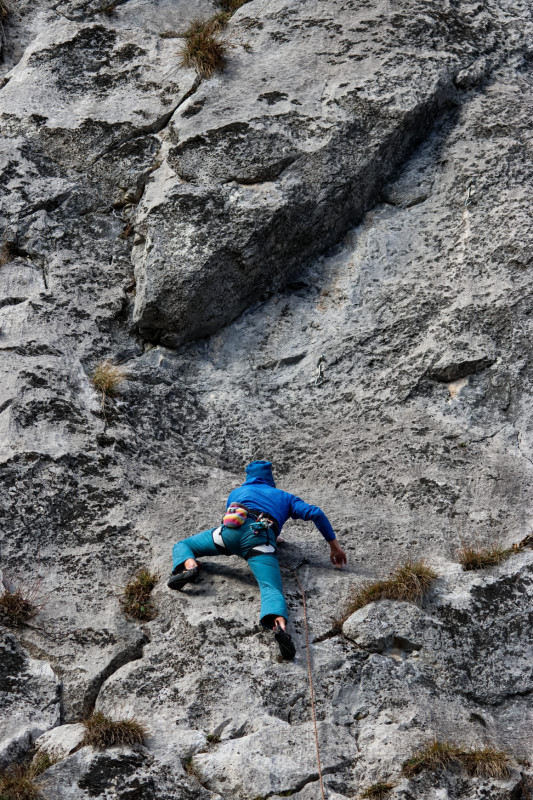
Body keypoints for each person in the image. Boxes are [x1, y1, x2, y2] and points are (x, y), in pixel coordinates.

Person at [168, 460, 347, 660]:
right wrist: (334, 546)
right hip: (260, 542)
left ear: (248, 477)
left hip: (227, 535)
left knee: (183, 545)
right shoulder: (285, 497)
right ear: (270, 478)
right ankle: (279, 625)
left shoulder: (236, 493)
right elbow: (316, 513)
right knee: (270, 588)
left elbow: (238, 517)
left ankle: (190, 566)